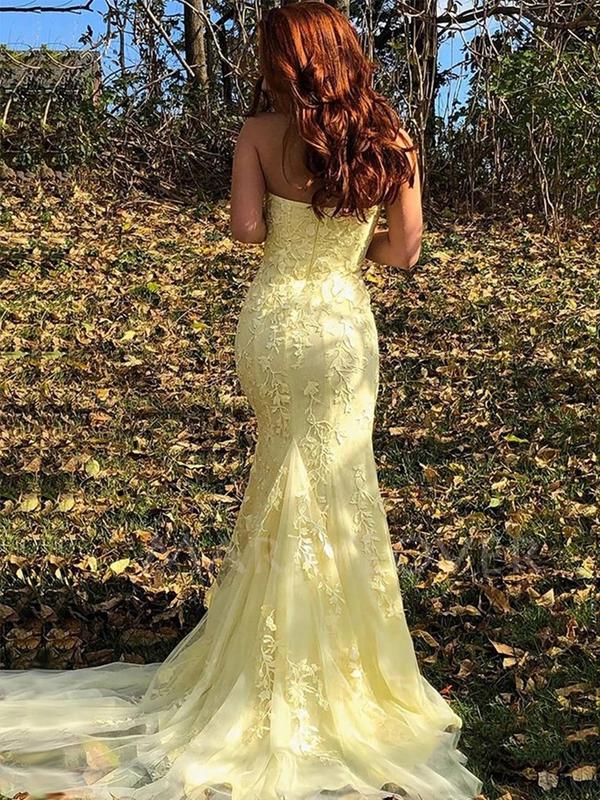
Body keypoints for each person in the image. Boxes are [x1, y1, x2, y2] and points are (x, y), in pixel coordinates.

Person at [0, 4, 483, 800]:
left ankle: (269, 656)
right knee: (339, 483)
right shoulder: (391, 139)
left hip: (274, 324)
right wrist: (347, 236)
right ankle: (336, 662)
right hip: (340, 328)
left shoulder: (258, 133)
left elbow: (247, 230)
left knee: (281, 475)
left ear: (288, 62)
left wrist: (294, 221)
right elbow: (403, 251)